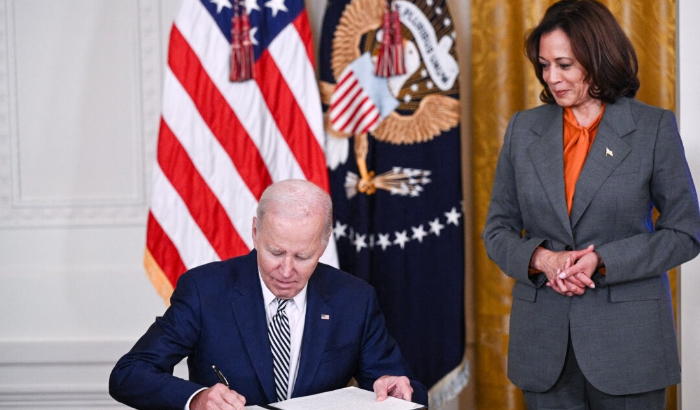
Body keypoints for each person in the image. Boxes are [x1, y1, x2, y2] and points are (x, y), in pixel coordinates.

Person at [481, 1, 700, 409]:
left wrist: (602, 261)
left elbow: (686, 232)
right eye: (545, 65)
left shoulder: (652, 127)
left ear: (598, 58)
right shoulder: (523, 128)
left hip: (629, 344)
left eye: (564, 65)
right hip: (545, 346)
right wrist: (542, 259)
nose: (552, 78)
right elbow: (497, 230)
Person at [109, 179, 427, 410]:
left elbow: (406, 389)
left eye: (303, 257)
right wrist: (197, 399)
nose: (286, 270)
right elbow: (129, 375)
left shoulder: (354, 299)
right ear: (255, 232)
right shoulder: (205, 290)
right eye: (275, 252)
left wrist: (398, 391)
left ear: (324, 243)